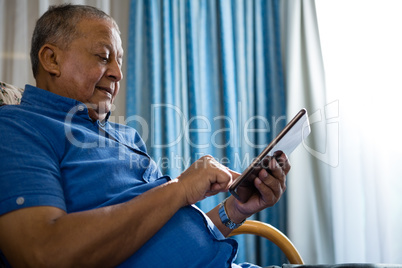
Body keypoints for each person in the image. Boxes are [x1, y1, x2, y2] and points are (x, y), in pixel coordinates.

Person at [0, 4, 289, 267]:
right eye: (103, 57)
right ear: (51, 59)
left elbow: (164, 236)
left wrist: (236, 209)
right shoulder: (18, 128)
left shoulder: (126, 137)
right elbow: (42, 253)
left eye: (120, 62)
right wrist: (179, 188)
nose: (117, 74)